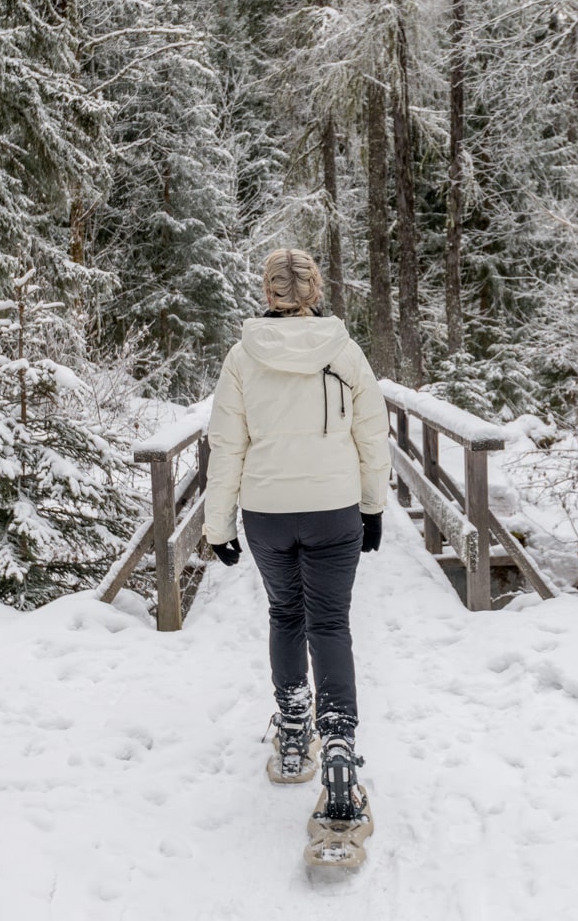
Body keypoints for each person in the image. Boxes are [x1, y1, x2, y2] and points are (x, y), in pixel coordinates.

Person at [202, 248, 390, 820]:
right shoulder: (345, 351)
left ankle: (291, 732)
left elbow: (226, 445)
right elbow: (373, 435)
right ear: (313, 292)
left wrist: (218, 524)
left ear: (268, 293)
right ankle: (337, 745)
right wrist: (373, 505)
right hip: (334, 508)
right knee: (330, 622)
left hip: (268, 513)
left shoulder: (242, 357)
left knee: (287, 616)